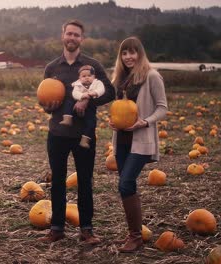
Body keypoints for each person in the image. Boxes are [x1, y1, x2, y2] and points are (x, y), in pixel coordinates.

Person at [39, 19, 115, 244]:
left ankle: (87, 229)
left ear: (82, 39)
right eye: (69, 34)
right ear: (62, 35)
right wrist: (46, 107)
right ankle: (57, 228)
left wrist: (89, 100)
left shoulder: (93, 66)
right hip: (57, 134)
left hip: (84, 134)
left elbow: (110, 92)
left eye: (76, 35)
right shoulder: (52, 68)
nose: (72, 38)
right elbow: (45, 98)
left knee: (84, 181)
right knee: (58, 181)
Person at [109, 36, 168, 252]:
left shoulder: (152, 76)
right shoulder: (120, 79)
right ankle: (135, 234)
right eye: (124, 53)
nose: (128, 57)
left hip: (141, 140)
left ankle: (135, 236)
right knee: (127, 185)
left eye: (132, 52)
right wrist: (112, 121)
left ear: (140, 54)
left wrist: (145, 122)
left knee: (125, 183)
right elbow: (117, 108)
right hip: (122, 140)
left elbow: (162, 108)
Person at [59, 65, 105, 148]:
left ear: (94, 76)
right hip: (76, 105)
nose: (87, 78)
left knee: (91, 122)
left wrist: (94, 93)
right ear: (79, 77)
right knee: (68, 102)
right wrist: (82, 96)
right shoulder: (78, 84)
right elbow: (74, 93)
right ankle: (67, 118)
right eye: (84, 76)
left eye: (89, 76)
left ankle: (84, 140)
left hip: (90, 108)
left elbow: (102, 90)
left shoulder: (97, 83)